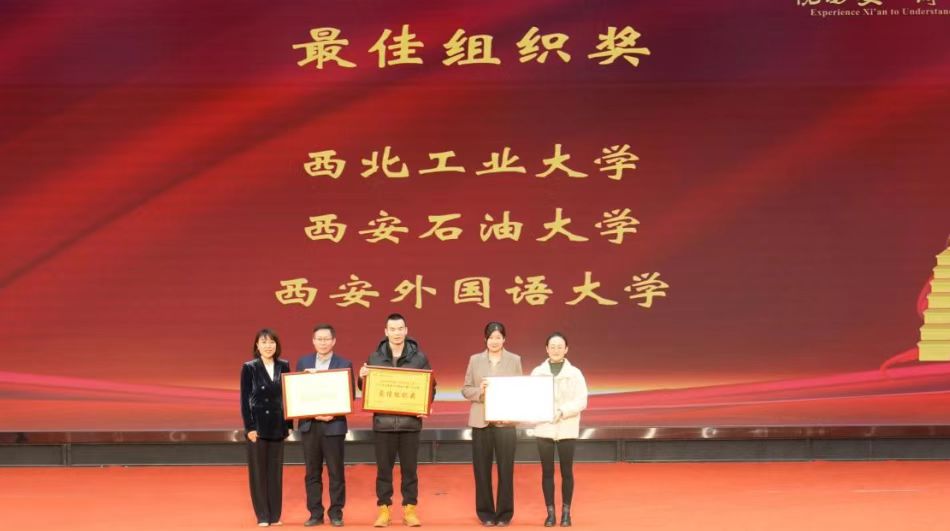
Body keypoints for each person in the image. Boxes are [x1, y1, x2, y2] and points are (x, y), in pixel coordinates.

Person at [358, 313, 436, 527]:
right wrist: (362, 378)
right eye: (392, 329)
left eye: (400, 328)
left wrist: (425, 405)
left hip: (410, 425)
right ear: (386, 332)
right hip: (383, 425)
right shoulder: (375, 357)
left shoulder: (419, 358)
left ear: (406, 330)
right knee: (384, 471)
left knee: (410, 471)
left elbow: (431, 386)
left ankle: (410, 510)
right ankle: (384, 510)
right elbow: (366, 388)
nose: (396, 333)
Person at [461, 321, 523, 527]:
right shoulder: (475, 360)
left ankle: (504, 513)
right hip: (481, 422)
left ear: (504, 339)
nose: (494, 341)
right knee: (481, 470)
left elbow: (520, 390)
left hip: (506, 423)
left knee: (506, 469)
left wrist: (513, 414)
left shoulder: (514, 360)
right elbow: (465, 389)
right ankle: (486, 513)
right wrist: (480, 391)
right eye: (491, 337)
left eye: (498, 337)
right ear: (485, 339)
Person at [296, 324, 354, 527]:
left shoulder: (344, 363)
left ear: (333, 341)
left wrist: (333, 413)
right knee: (312, 472)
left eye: (326, 339)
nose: (323, 342)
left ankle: (336, 513)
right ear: (313, 341)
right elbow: (297, 393)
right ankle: (315, 513)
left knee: (336, 472)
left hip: (334, 424)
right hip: (310, 425)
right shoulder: (303, 362)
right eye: (319, 339)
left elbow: (349, 395)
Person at [530, 332, 588, 528]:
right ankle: (550, 513)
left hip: (567, 425)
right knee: (547, 472)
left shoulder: (575, 373)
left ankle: (566, 513)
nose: (556, 350)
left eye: (559, 346)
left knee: (566, 471)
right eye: (552, 346)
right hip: (544, 426)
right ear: (546, 349)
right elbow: (530, 398)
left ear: (566, 349)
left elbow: (582, 400)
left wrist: (563, 411)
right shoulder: (537, 372)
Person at [241, 328, 292, 527]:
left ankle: (275, 515)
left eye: (271, 342)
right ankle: (263, 515)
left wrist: (289, 425)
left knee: (275, 473)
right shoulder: (249, 368)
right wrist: (250, 428)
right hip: (258, 427)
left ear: (276, 345)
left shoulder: (284, 365)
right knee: (258, 473)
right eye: (264, 342)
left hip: (278, 426)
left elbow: (288, 396)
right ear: (257, 345)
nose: (268, 346)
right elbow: (245, 400)